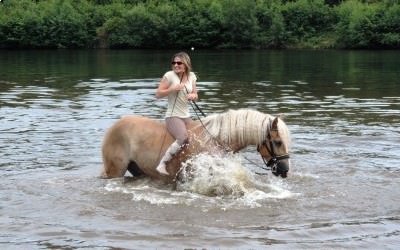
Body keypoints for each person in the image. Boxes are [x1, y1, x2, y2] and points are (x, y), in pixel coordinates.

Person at [155, 52, 198, 175]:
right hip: (173, 116)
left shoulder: (192, 77)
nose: (176, 65)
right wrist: (172, 89)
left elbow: (196, 94)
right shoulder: (169, 76)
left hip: (187, 116)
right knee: (183, 138)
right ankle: (162, 164)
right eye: (174, 63)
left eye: (179, 63)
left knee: (198, 137)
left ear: (186, 64)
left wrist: (192, 96)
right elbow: (158, 94)